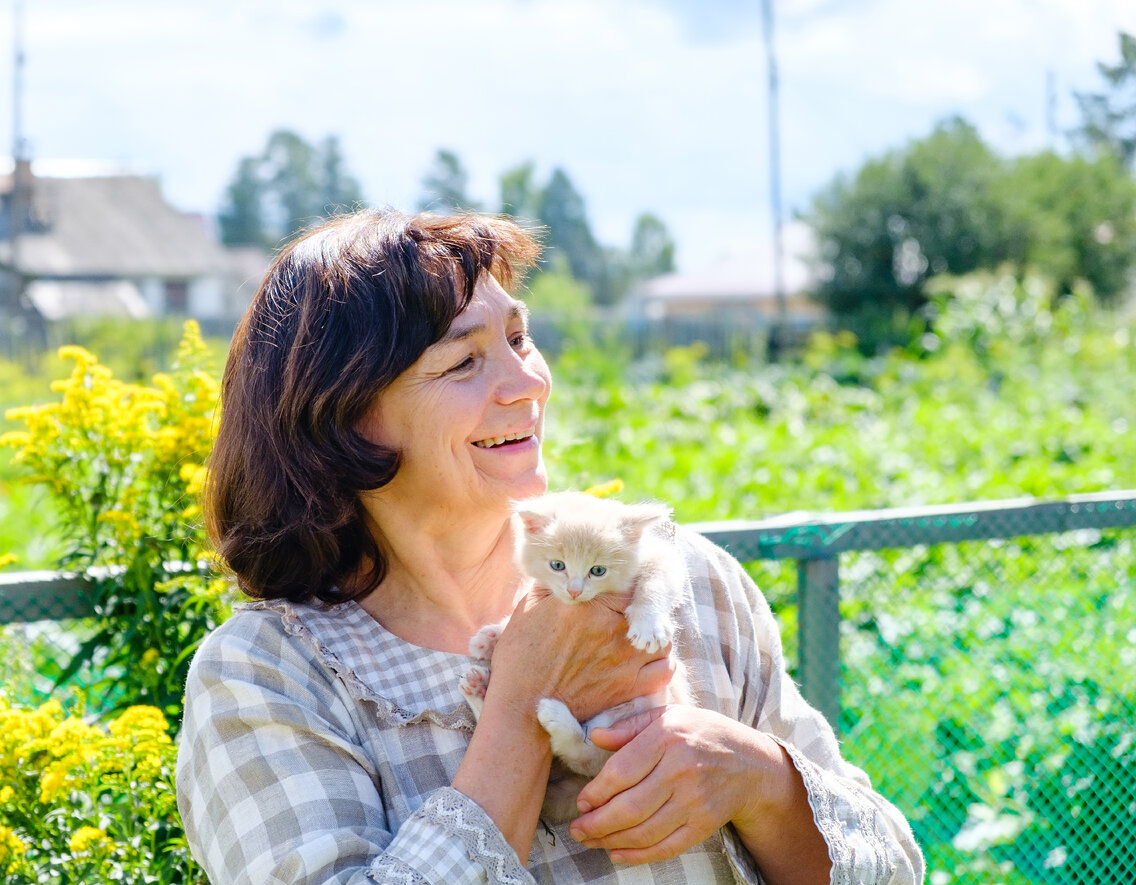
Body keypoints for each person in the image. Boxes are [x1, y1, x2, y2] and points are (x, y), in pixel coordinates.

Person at [176, 209, 925, 885]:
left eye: (518, 337)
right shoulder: (268, 677)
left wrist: (758, 779)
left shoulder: (684, 580)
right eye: (463, 362)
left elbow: (892, 871)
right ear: (343, 422)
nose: (525, 383)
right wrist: (520, 707)